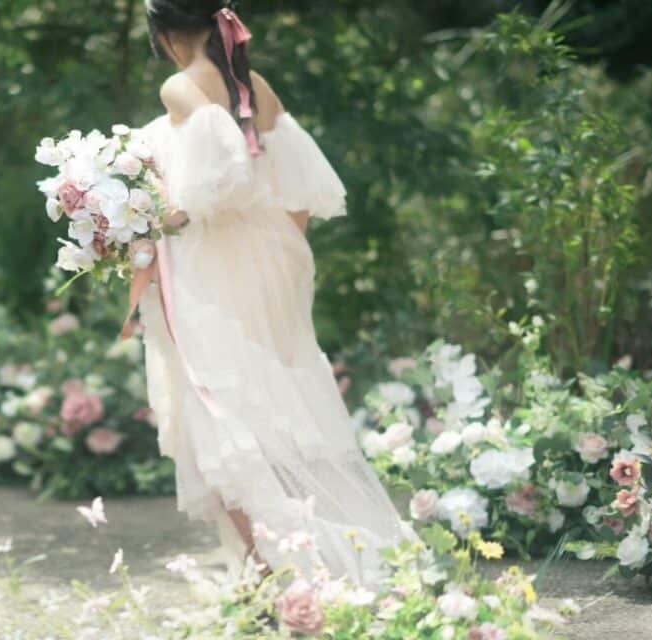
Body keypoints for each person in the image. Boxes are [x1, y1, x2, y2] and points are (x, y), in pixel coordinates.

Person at [135, 0, 414, 588]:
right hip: (275, 258)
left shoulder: (180, 88)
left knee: (219, 407)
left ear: (161, 32)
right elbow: (298, 192)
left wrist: (135, 216)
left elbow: (209, 193)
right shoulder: (255, 84)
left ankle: (278, 568)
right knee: (278, 399)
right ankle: (282, 567)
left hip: (214, 265)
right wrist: (278, 256)